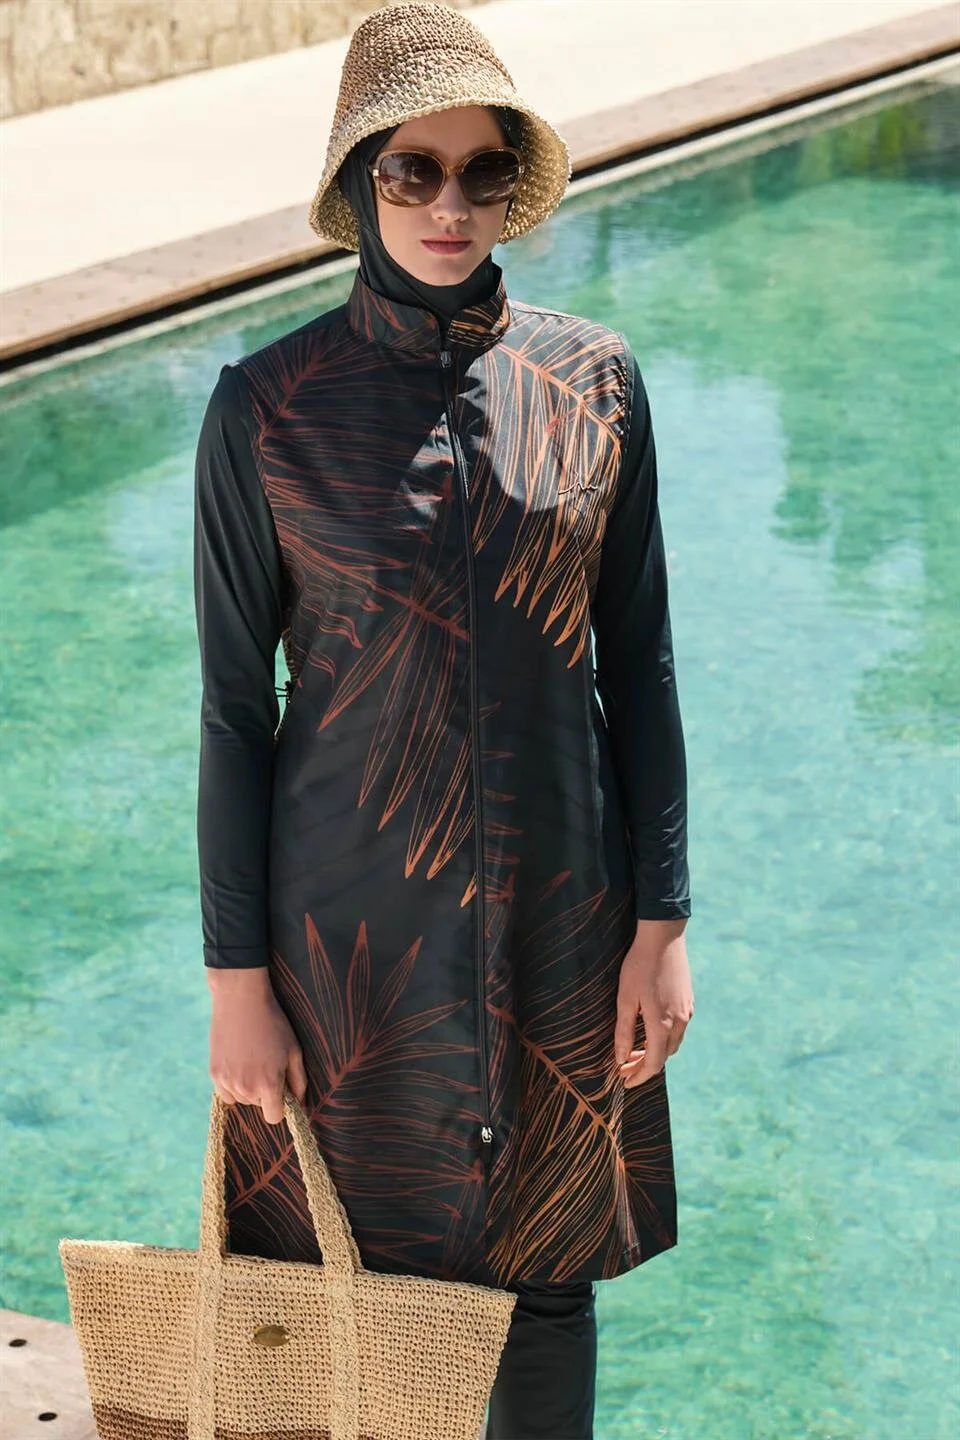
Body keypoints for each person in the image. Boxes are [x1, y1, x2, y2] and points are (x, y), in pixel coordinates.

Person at [192, 4, 695, 1437]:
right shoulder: (265, 409)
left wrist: (661, 922)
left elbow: (642, 667)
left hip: (562, 922)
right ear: (360, 181)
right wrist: (237, 984)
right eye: (412, 170)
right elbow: (232, 714)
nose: (448, 204)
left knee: (546, 1280)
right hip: (346, 951)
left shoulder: (595, 383)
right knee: (340, 1301)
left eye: (482, 171)